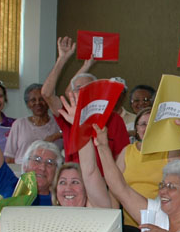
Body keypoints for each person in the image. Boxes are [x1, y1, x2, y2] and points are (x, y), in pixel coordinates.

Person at [0, 64, 61, 206]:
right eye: (37, 159)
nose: (42, 167)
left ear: (58, 172)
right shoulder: (10, 185)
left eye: (50, 163)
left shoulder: (64, 198)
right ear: (25, 166)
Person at [40, 36, 129, 167]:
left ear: (96, 93)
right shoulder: (68, 116)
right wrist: (62, 58)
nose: (82, 93)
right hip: (75, 178)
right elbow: (46, 93)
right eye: (77, 89)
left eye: (87, 89)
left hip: (103, 181)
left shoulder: (114, 119)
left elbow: (122, 157)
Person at [3, 83, 63, 164]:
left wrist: (56, 135)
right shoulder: (19, 124)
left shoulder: (58, 124)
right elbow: (9, 158)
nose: (38, 103)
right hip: (24, 172)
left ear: (48, 102)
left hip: (49, 172)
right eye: (33, 100)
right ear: (28, 104)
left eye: (42, 99)